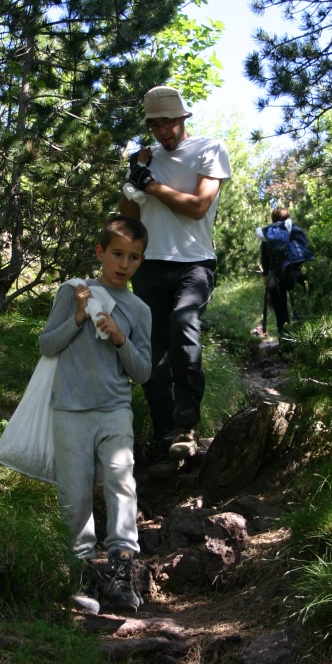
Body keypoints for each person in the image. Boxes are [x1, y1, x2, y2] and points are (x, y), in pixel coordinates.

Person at [38, 215, 152, 614]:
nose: (124, 264)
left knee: (122, 484)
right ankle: (80, 571)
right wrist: (80, 316)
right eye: (117, 254)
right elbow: (47, 345)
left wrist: (121, 339)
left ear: (141, 261)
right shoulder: (75, 292)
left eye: (134, 257)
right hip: (69, 409)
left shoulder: (139, 310)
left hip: (115, 409)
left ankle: (122, 571)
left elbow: (142, 372)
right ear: (100, 253)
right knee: (74, 494)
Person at [119, 85, 231, 478]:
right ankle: (167, 437)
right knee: (152, 353)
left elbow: (198, 207)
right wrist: (134, 178)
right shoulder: (144, 160)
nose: (162, 131)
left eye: (168, 122)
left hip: (194, 263)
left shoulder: (209, 149)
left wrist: (151, 184)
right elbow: (127, 220)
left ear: (183, 119)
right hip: (150, 265)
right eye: (154, 124)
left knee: (184, 324)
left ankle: (187, 426)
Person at [257, 207, 309, 337]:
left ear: (273, 219)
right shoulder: (295, 231)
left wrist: (267, 286)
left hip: (276, 281)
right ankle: (304, 344)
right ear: (288, 217)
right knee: (301, 312)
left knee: (282, 317)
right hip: (296, 275)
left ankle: (286, 349)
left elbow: (265, 264)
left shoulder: (268, 235)